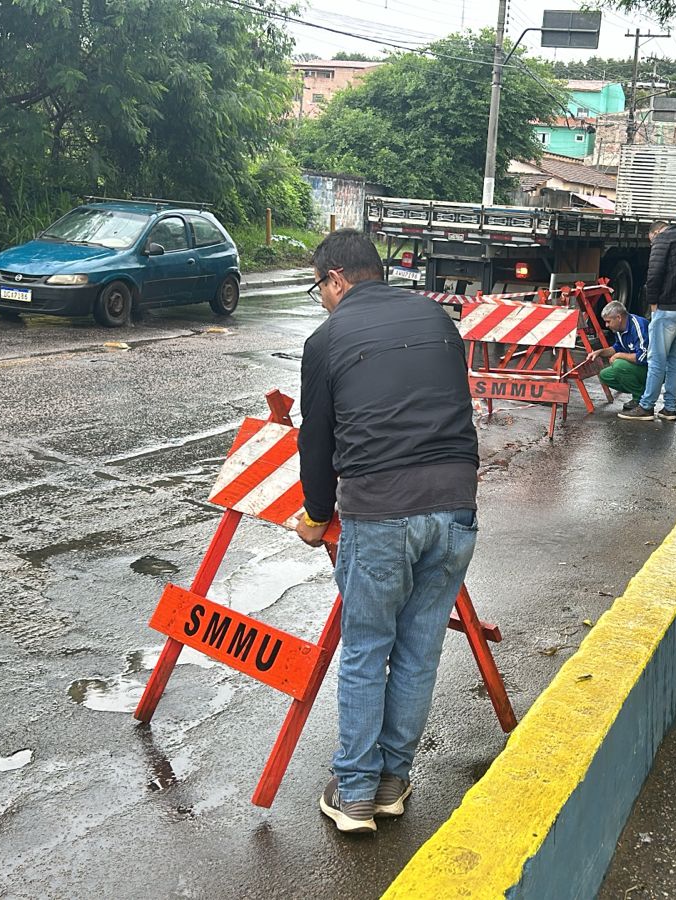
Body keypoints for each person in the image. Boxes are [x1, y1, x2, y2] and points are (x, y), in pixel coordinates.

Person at [294, 229, 480, 834]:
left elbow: (316, 442)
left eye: (319, 287)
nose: (321, 299)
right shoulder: (436, 318)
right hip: (455, 507)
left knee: (367, 650)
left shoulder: (326, 340)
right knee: (419, 651)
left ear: (337, 280)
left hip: (379, 513)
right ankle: (392, 784)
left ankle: (353, 793)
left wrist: (317, 514)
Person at [618, 221, 676, 423]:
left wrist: (653, 303)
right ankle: (669, 409)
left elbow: (654, 272)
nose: (652, 244)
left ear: (655, 232)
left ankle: (646, 406)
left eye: (651, 241)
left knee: (656, 360)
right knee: (675, 363)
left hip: (668, 308)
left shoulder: (663, 239)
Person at [593, 300, 650, 412]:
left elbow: (643, 357)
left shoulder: (638, 326)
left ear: (618, 317)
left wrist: (619, 355)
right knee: (605, 375)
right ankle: (640, 391)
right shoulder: (619, 328)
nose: (606, 325)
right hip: (640, 368)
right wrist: (599, 352)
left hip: (653, 370)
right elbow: (616, 348)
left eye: (608, 321)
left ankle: (640, 399)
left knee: (619, 364)